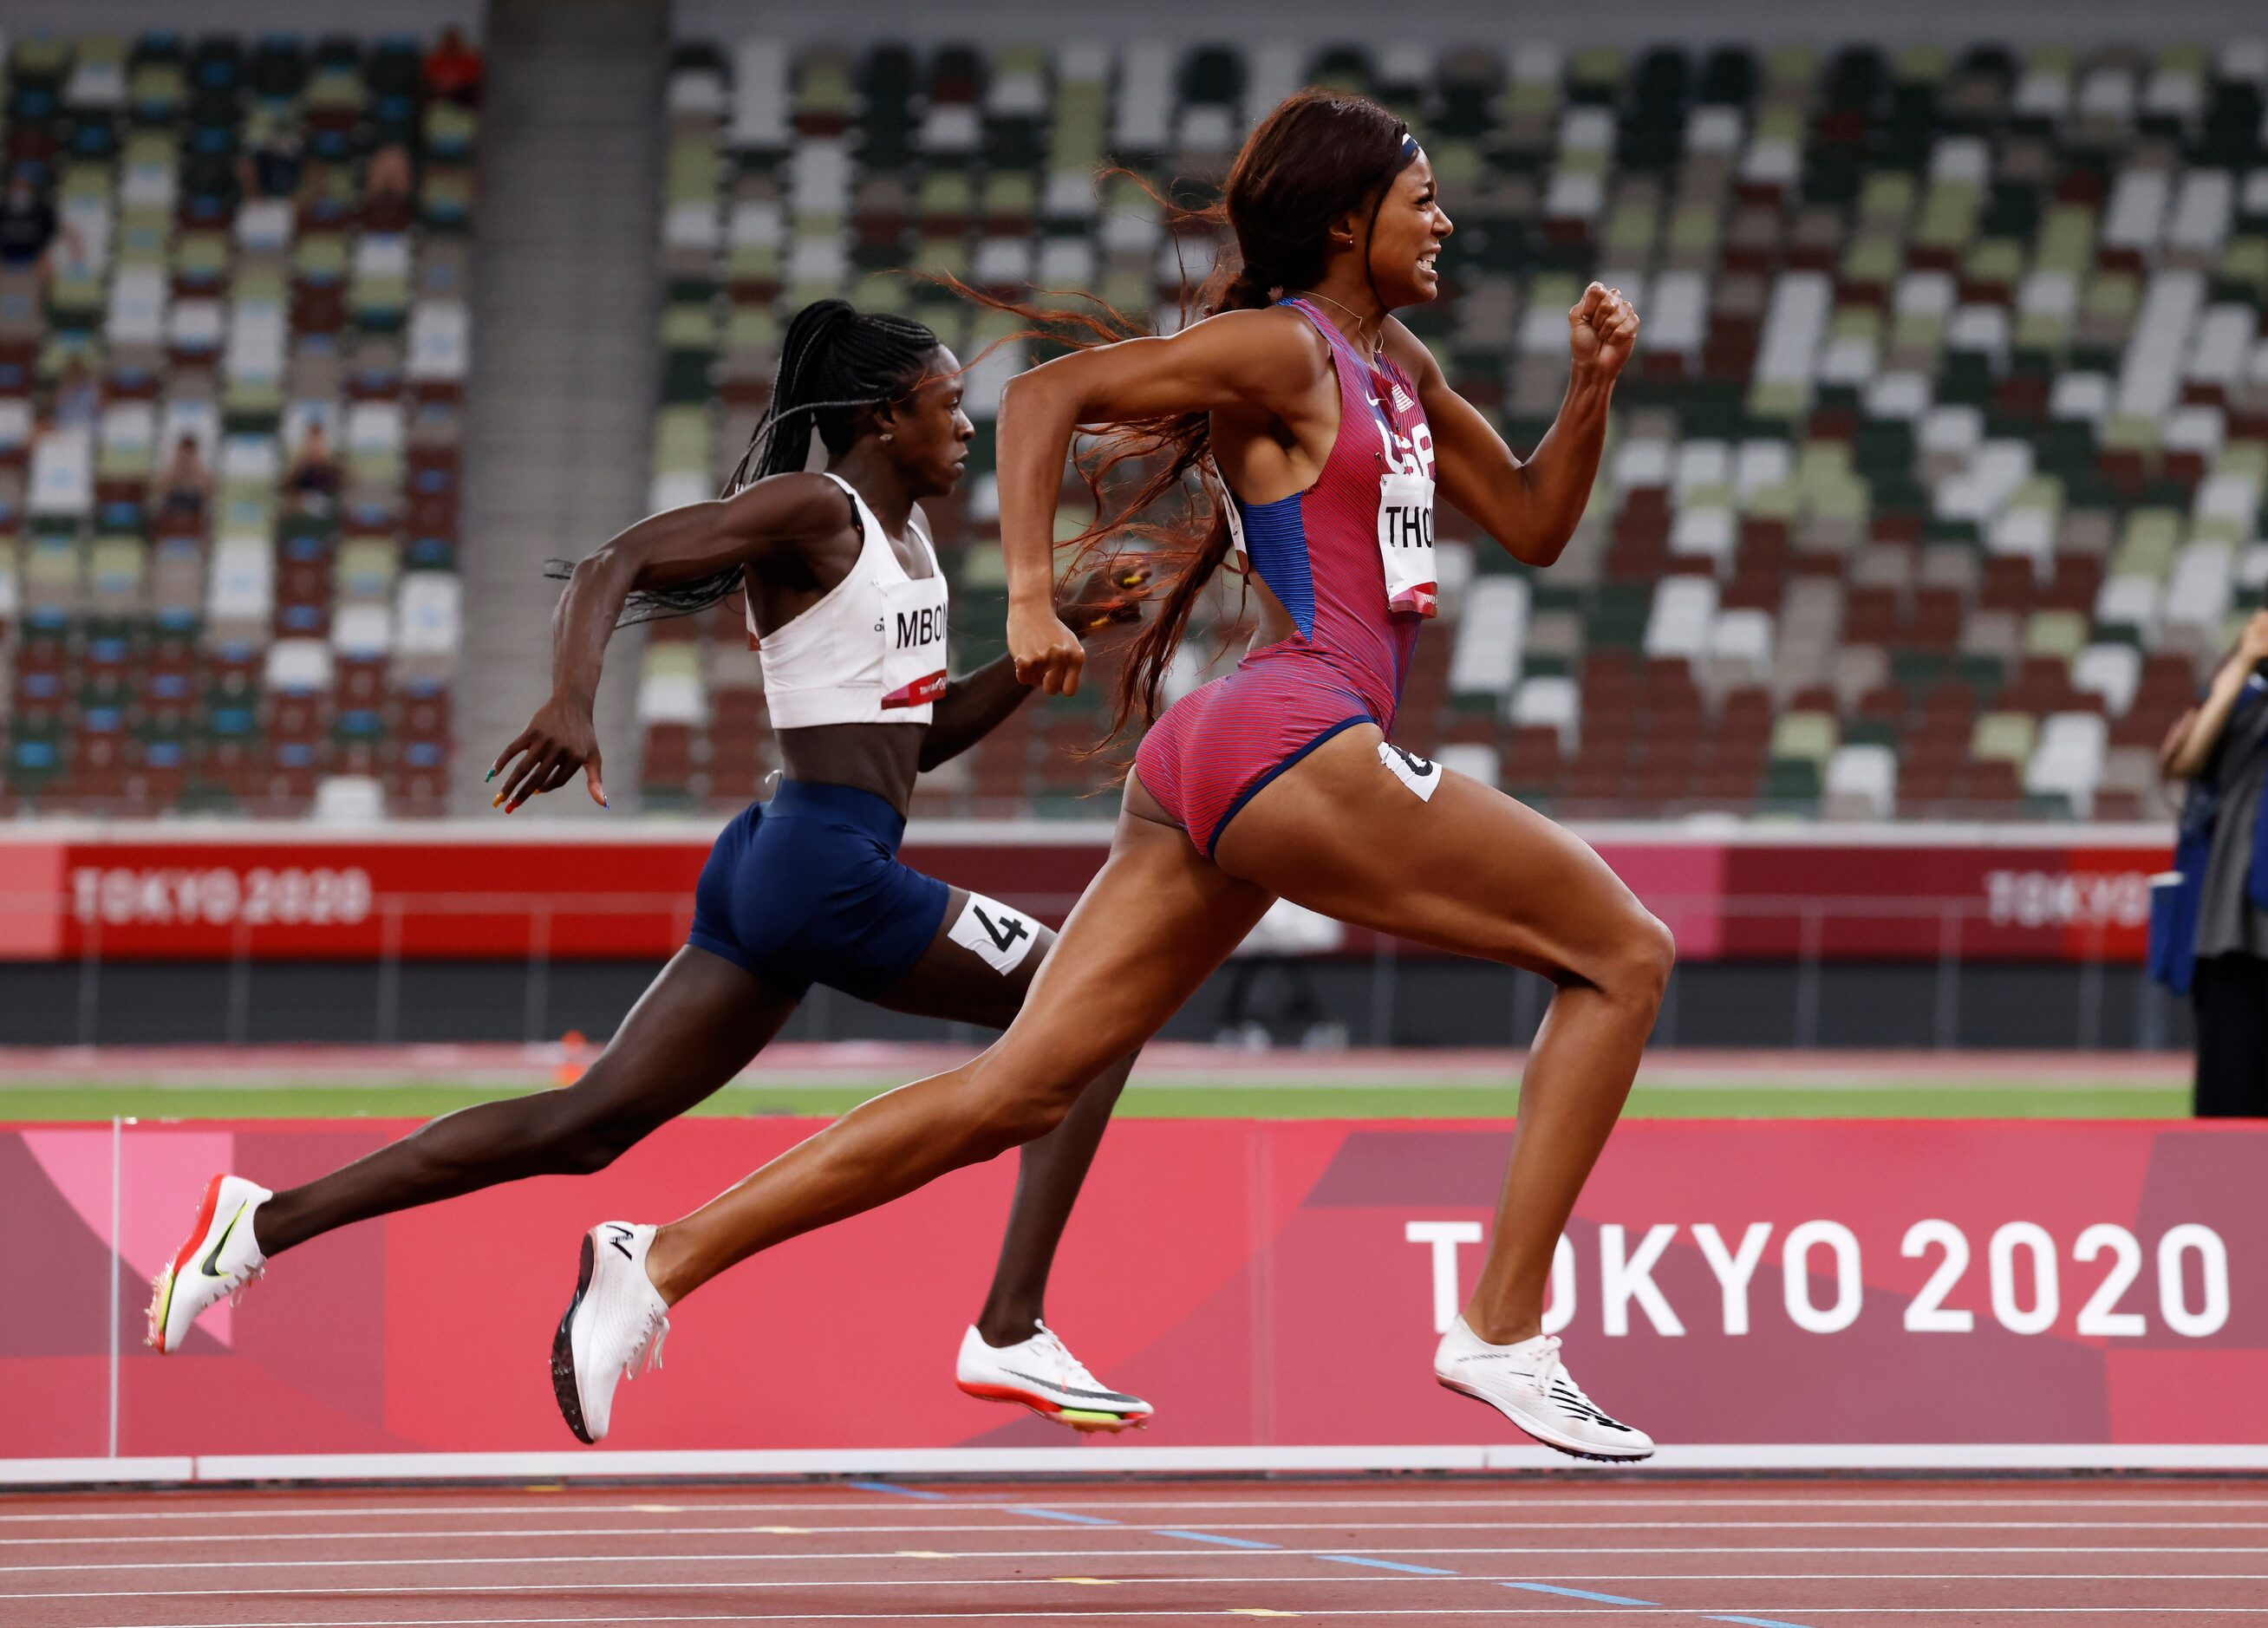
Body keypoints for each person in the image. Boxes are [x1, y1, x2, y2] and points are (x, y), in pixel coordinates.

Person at [545, 91, 1667, 1461]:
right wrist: (1028, 595)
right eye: (1420, 198)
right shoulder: (1280, 349)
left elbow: (1541, 523)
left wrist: (1594, 390)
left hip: (1218, 756)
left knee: (1022, 1086)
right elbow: (1044, 395)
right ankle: (1502, 1326)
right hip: (1293, 736)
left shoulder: (1403, 370)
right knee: (1623, 950)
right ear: (1341, 220)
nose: (1445, 221)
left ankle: (656, 1259)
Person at [147, 300, 1159, 1443]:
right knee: (1093, 1007)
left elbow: (915, 741)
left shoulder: (909, 544)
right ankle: (1012, 1320)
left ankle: (259, 1224)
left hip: (786, 862)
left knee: (584, 1124)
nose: (967, 431)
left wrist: (1056, 627)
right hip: (824, 864)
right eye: (949, 407)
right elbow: (614, 559)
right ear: (886, 416)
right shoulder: (814, 513)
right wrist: (572, 699)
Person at [2158, 609, 2268, 1116]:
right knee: (2228, 1101)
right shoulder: (2240, 696)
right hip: (2234, 929)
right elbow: (2181, 759)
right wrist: (2244, 661)